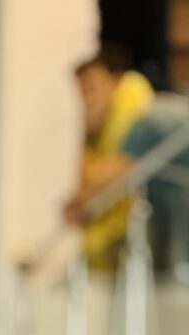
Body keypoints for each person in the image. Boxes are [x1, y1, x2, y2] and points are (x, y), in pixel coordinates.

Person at [67, 45, 156, 274]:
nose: (86, 101)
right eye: (81, 92)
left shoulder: (132, 93)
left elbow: (115, 170)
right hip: (114, 246)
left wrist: (84, 194)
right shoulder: (98, 131)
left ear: (115, 81)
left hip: (143, 235)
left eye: (91, 88)